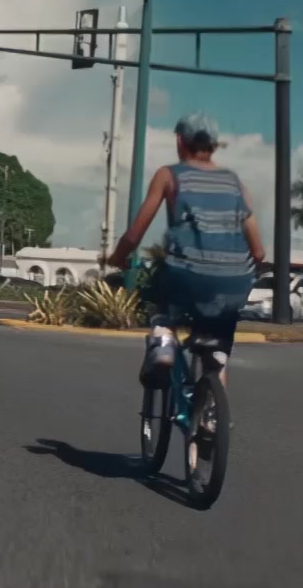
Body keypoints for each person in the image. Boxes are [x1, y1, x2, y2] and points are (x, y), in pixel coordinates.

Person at [102, 113, 264, 388]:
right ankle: (212, 403)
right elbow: (258, 252)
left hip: (186, 274)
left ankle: (164, 342)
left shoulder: (169, 175)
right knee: (218, 347)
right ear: (214, 145)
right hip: (234, 283)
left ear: (180, 141)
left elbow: (134, 234)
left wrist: (118, 257)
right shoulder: (235, 183)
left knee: (162, 305)